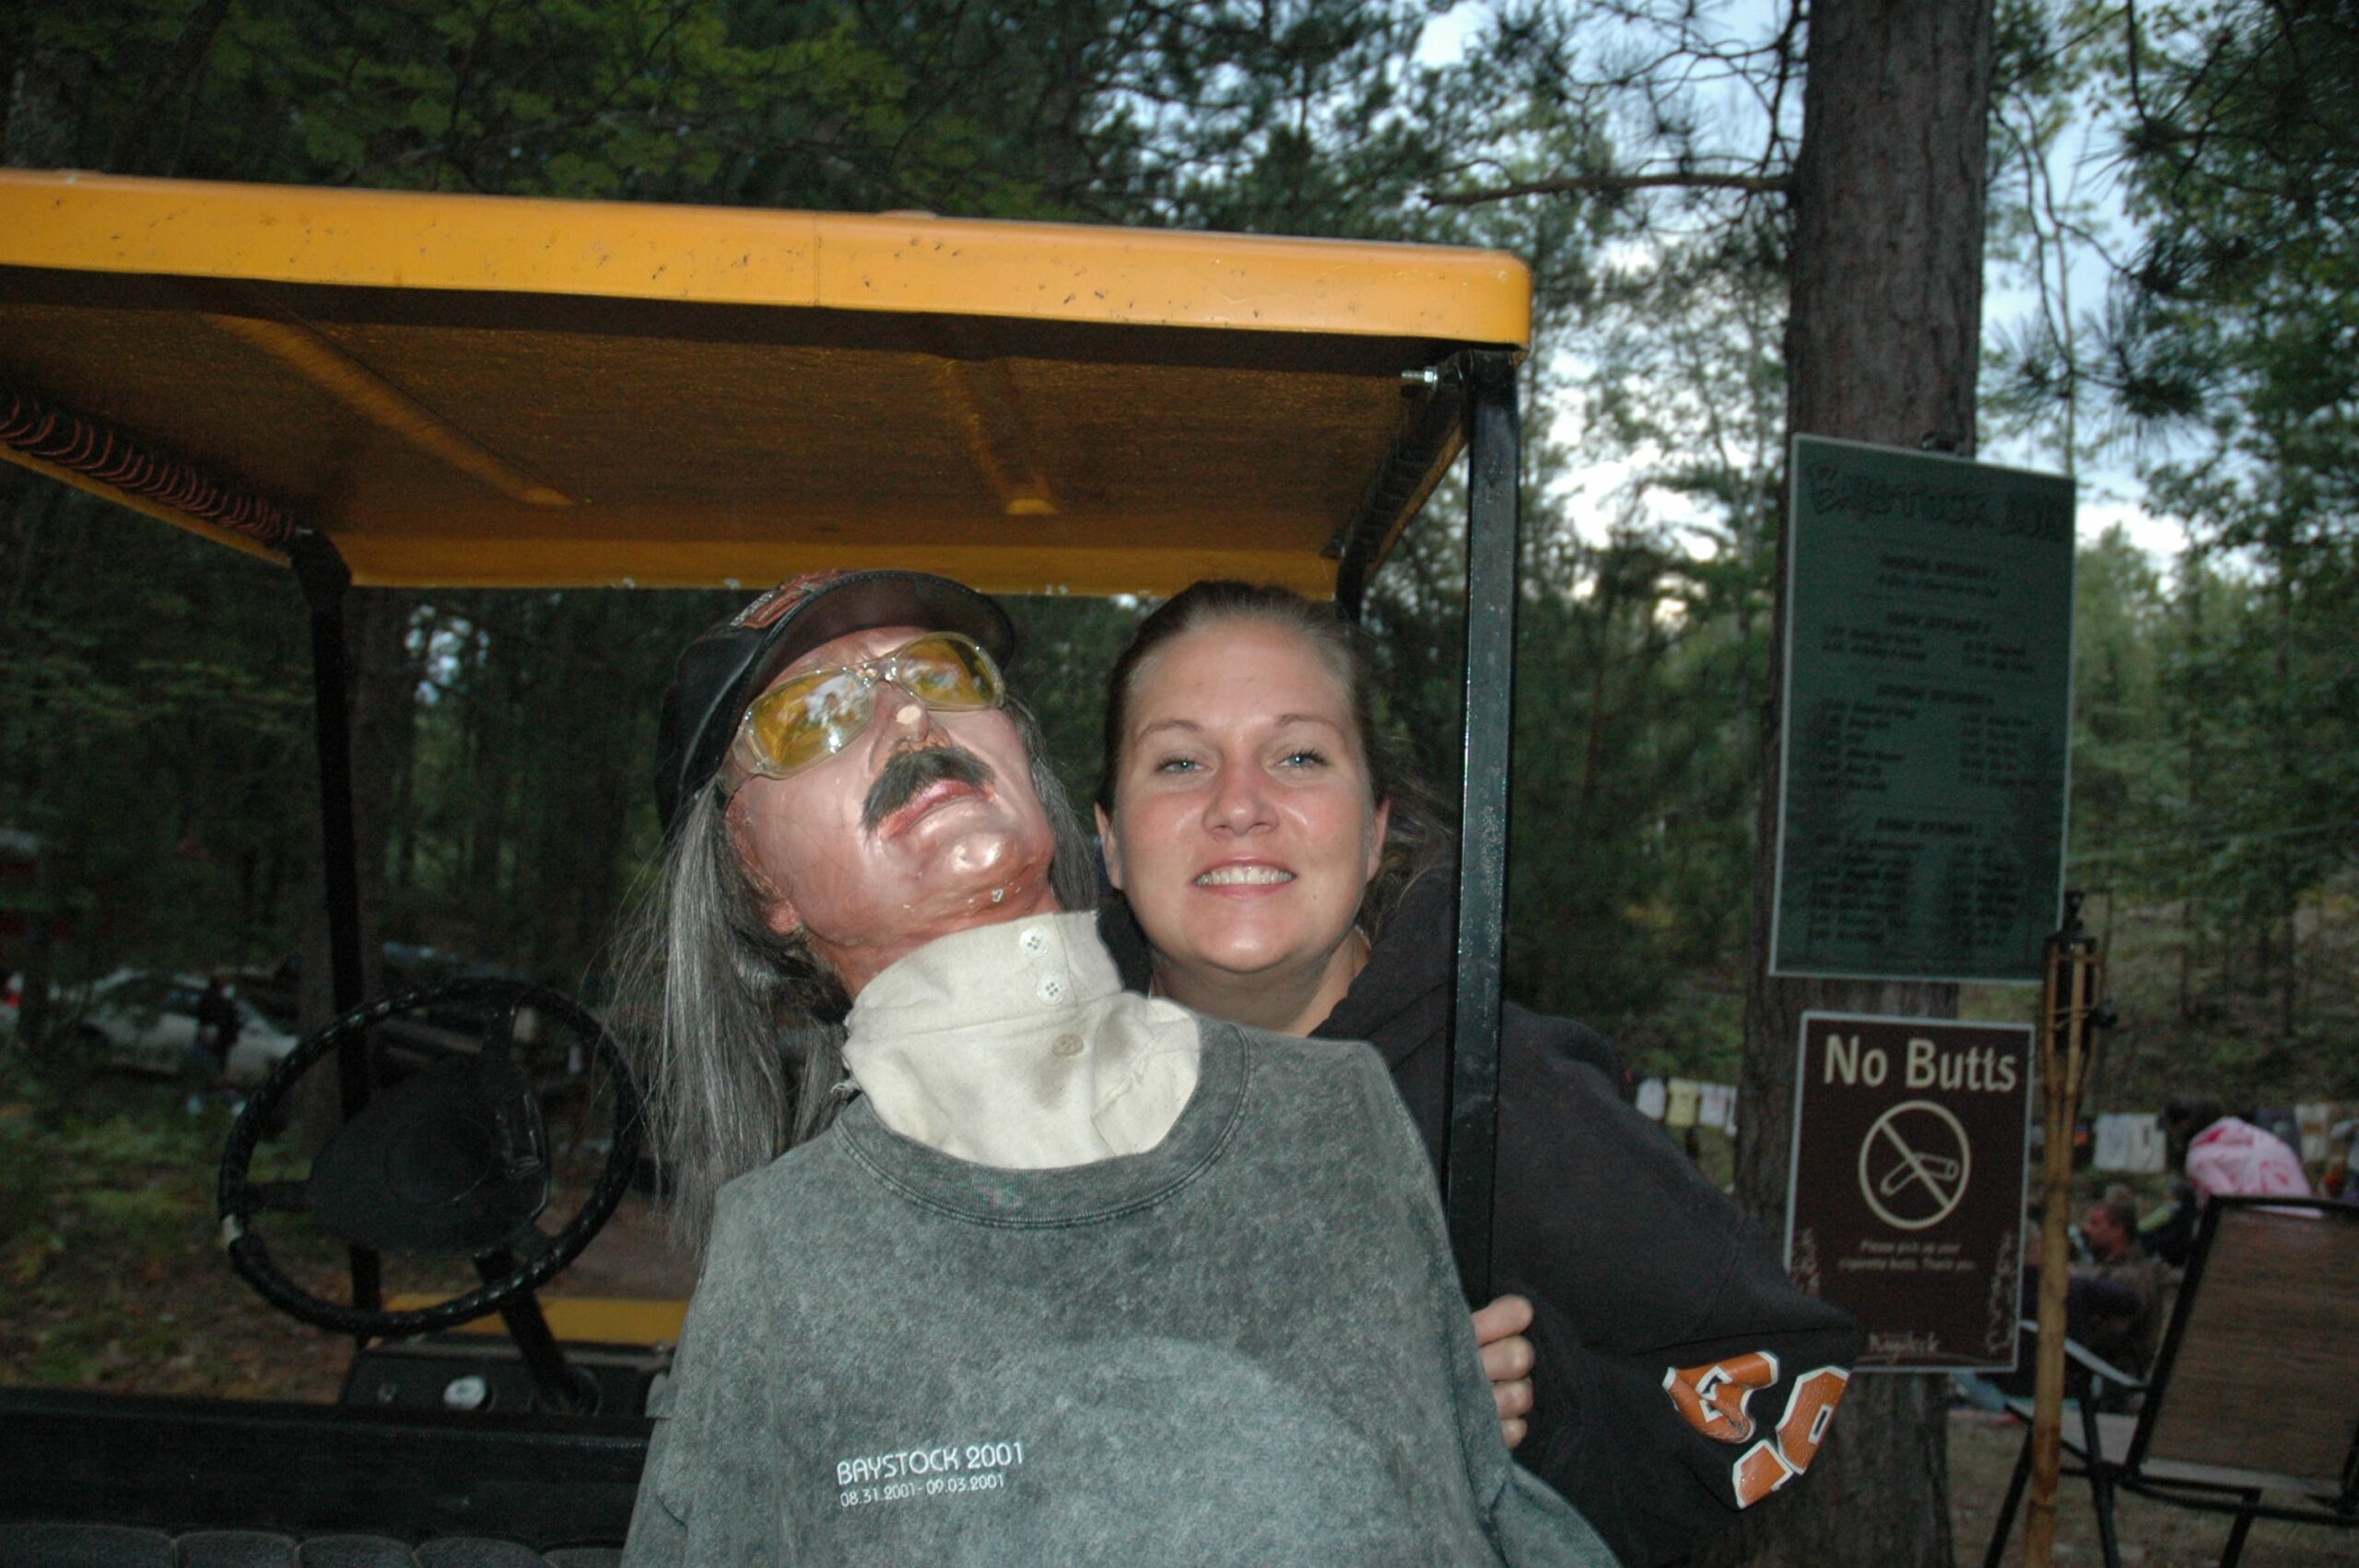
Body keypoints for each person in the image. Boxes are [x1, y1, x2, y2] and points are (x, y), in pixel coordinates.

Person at [617, 569, 1611, 1566]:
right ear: (756, 871)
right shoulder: (784, 1249)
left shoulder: (1337, 1111)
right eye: (811, 718)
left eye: (943, 672)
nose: (910, 715)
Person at [1093, 581, 1861, 1568]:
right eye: (1181, 762)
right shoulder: (1026, 1108)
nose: (1238, 805)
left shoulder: (1501, 1099)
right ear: (1110, 840)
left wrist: (1542, 1418)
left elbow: (1785, 1382)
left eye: (1298, 757)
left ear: (1375, 830)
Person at [2070, 1199, 2168, 1376]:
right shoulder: (2106, 1265)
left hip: (2115, 1373)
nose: (2087, 1229)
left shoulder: (2134, 1275)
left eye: (2095, 1223)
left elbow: (2115, 1333)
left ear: (2117, 1230)